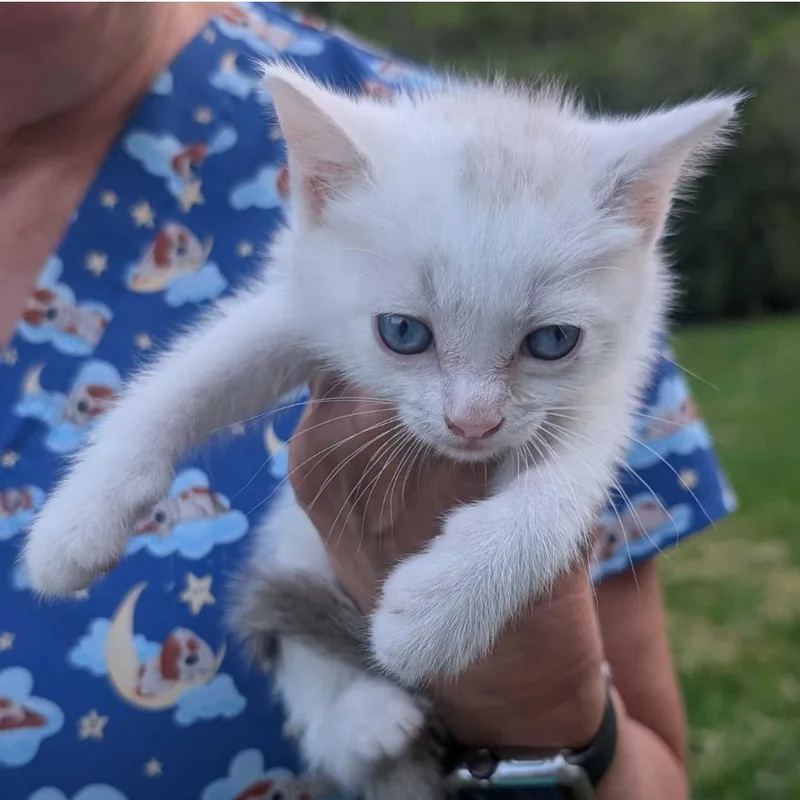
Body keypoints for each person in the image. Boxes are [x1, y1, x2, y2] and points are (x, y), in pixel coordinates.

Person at [0, 3, 735, 799]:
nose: (472, 414)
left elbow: (568, 485)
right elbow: (245, 344)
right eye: (407, 335)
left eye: (548, 343)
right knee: (299, 543)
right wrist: (127, 465)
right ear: (317, 190)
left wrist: (519, 666)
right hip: (329, 650)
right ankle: (335, 708)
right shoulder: (367, 191)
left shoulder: (606, 289)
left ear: (643, 216)